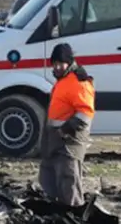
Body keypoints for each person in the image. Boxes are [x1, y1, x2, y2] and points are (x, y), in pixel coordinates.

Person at [39, 43, 95, 206]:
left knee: (68, 179)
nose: (56, 68)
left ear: (69, 62)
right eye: (54, 64)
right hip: (55, 139)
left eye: (59, 64)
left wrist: (65, 131)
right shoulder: (64, 80)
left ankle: (74, 214)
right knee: (48, 176)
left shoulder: (78, 82)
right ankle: (56, 211)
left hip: (69, 142)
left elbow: (85, 113)